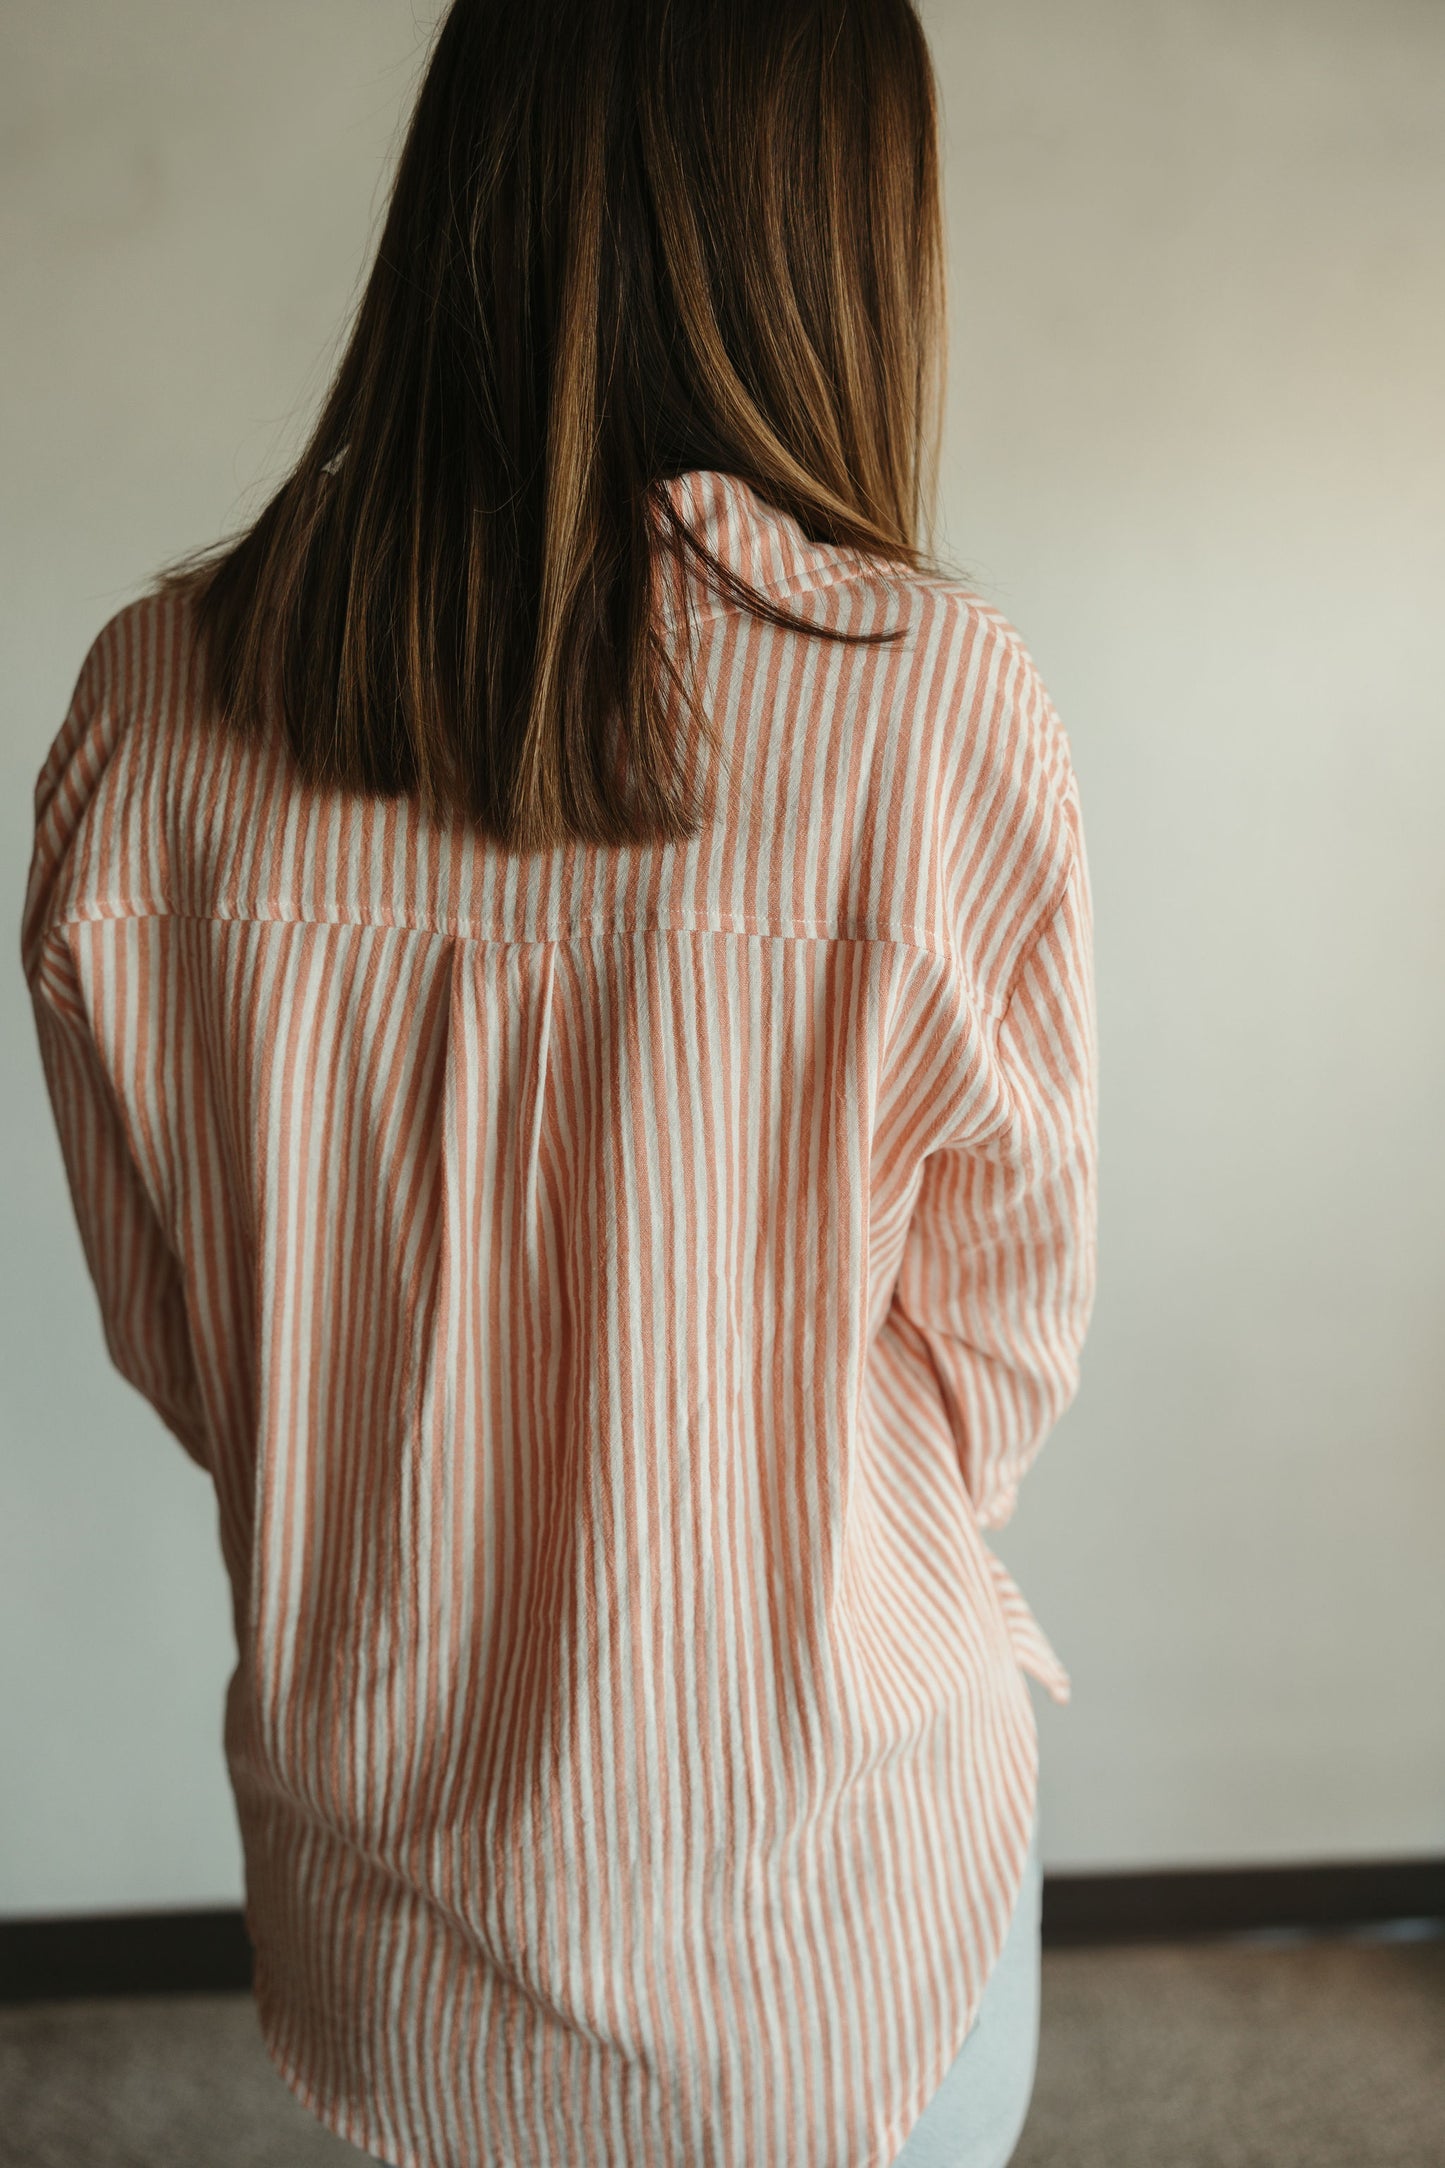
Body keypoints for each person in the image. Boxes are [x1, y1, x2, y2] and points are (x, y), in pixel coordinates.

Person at [20, 1, 1097, 2161]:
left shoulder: (149, 712)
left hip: (390, 1878)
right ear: (834, 248)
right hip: (839, 1891)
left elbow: (184, 1329)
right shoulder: (933, 710)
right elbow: (1004, 1345)